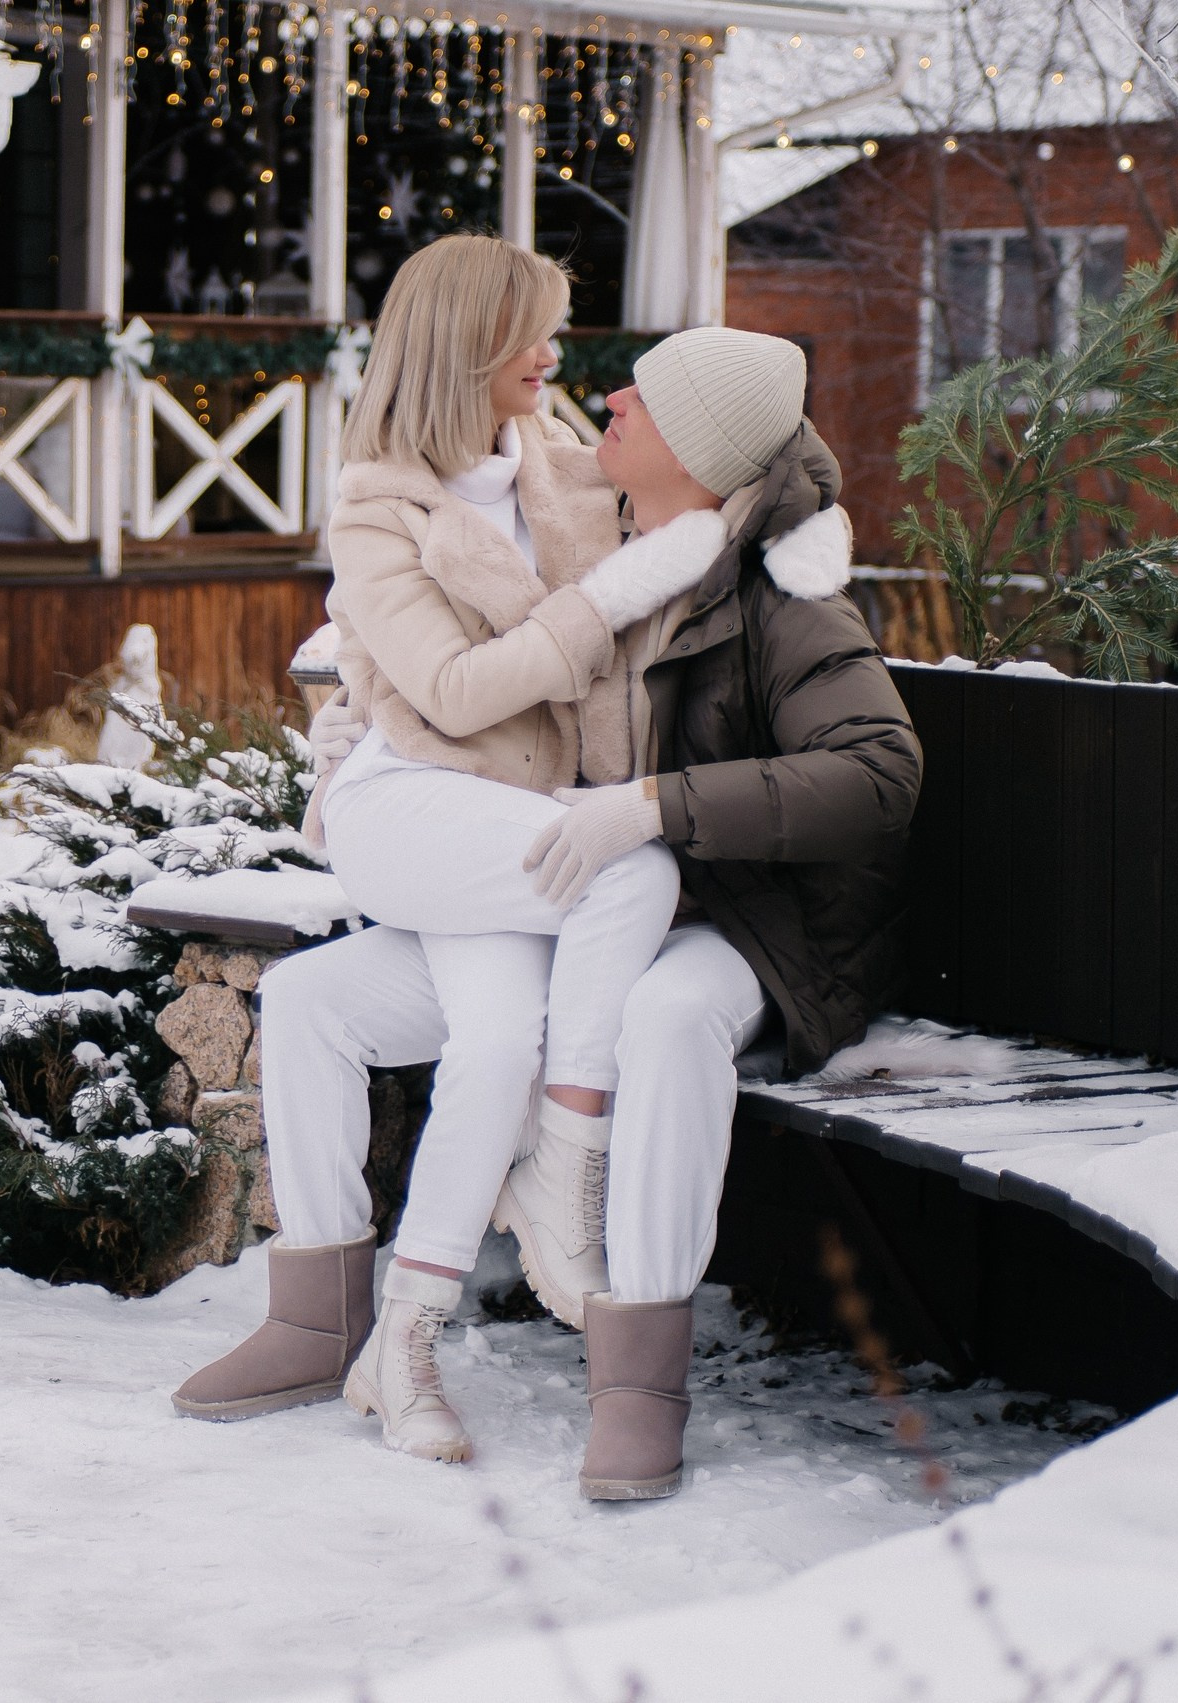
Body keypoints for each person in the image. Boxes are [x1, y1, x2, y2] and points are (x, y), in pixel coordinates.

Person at [176, 326, 920, 1503]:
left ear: (704, 449)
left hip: (750, 927)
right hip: (609, 898)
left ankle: (635, 1371)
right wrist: (368, 728)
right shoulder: (617, 537)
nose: (608, 395)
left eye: (647, 397)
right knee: (315, 998)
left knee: (667, 1020)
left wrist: (653, 804)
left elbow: (879, 772)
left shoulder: (784, 591)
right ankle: (319, 1317)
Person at [170, 239, 748, 1456]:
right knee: (630, 864)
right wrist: (598, 606)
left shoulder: (560, 464)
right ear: (464, 346)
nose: (553, 355)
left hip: (509, 824)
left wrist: (783, 523)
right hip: (413, 806)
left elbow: (702, 486)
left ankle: (391, 1337)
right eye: (532, 333)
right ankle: (563, 1165)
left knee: (471, 1039)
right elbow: (451, 686)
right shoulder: (376, 499)